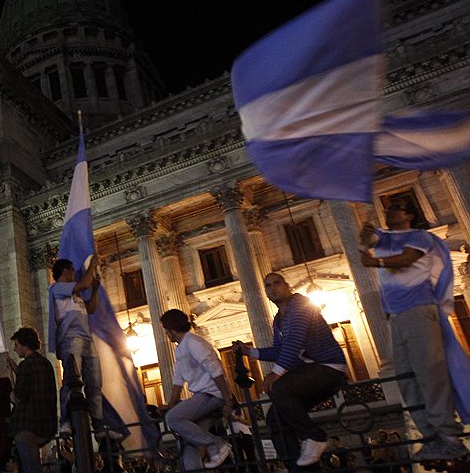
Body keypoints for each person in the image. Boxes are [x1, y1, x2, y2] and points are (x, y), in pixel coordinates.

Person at [360, 200, 468, 461]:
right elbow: (366, 239)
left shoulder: (420, 237)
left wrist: (376, 263)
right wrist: (363, 220)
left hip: (419, 309)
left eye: (395, 207)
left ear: (409, 215)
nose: (388, 210)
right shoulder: (384, 238)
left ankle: (450, 437)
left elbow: (408, 258)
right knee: (406, 378)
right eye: (387, 208)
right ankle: (430, 437)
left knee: (430, 373)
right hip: (396, 316)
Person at [233, 273, 348, 469]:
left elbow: (295, 339)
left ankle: (314, 436)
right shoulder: (278, 319)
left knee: (279, 389)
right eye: (268, 285)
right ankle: (301, 468)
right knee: (275, 420)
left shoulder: (300, 305)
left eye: (277, 283)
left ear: (287, 285)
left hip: (329, 368)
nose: (273, 288)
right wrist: (249, 351)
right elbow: (280, 350)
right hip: (308, 372)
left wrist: (276, 373)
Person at [159, 309, 234, 470]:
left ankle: (216, 444)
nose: (165, 334)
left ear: (172, 329)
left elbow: (216, 370)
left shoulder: (193, 343)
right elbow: (178, 381)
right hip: (204, 395)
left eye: (165, 329)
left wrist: (227, 399)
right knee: (188, 438)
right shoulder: (180, 349)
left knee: (173, 419)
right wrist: (170, 403)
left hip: (211, 395)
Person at [48, 255, 104, 434]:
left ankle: (98, 422)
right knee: (72, 382)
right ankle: (65, 421)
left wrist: (95, 291)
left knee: (94, 383)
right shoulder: (57, 289)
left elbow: (91, 309)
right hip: (70, 339)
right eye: (73, 270)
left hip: (87, 339)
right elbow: (83, 284)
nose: (75, 274)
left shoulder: (76, 295)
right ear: (66, 271)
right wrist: (92, 265)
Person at [6, 327, 57, 473]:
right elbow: (35, 383)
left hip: (27, 425)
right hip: (46, 422)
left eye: (16, 345)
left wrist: (11, 395)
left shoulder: (25, 365)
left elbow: (19, 397)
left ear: (25, 345)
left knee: (31, 467)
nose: (15, 349)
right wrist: (16, 370)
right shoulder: (45, 363)